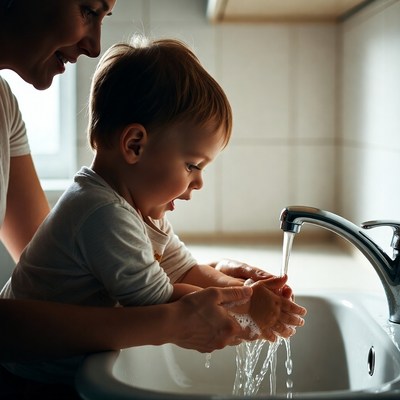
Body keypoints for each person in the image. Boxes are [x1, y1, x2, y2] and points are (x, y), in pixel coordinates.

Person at [0, 37, 307, 386]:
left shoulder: (137, 212)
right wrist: (248, 305)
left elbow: (184, 270)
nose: (199, 182)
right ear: (135, 145)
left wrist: (243, 286)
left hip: (62, 368)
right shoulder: (102, 214)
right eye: (193, 165)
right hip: (29, 379)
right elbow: (159, 303)